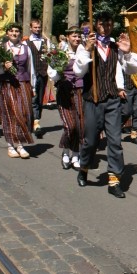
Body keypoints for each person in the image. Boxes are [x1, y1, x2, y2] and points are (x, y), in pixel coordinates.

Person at [74, 13, 137, 198]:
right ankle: (84, 166)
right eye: (103, 24)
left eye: (109, 24)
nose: (106, 27)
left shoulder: (115, 46)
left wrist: (127, 52)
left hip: (112, 99)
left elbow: (133, 69)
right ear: (96, 25)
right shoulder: (85, 45)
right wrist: (87, 50)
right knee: (91, 141)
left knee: (114, 141)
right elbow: (78, 72)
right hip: (92, 99)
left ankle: (114, 179)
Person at [48, 27, 85, 170]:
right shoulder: (60, 53)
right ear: (68, 37)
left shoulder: (84, 52)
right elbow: (52, 72)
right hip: (65, 91)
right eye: (74, 36)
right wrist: (58, 72)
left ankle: (75, 155)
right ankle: (65, 151)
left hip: (81, 91)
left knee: (80, 125)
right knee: (70, 126)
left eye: (78, 36)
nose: (77, 39)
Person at [0, 23, 35, 159]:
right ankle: (12, 145)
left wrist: (33, 86)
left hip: (23, 83)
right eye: (11, 31)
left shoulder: (26, 48)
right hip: (7, 84)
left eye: (17, 31)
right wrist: (3, 66)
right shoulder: (2, 48)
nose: (14, 33)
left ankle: (19, 142)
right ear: (7, 33)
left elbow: (31, 68)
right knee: (10, 113)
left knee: (24, 112)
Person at [26, 19, 50, 138]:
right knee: (33, 98)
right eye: (35, 27)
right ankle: (34, 121)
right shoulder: (26, 42)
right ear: (31, 28)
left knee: (39, 99)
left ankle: (36, 119)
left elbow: (50, 57)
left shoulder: (45, 41)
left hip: (43, 73)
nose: (37, 29)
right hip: (31, 74)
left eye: (39, 27)